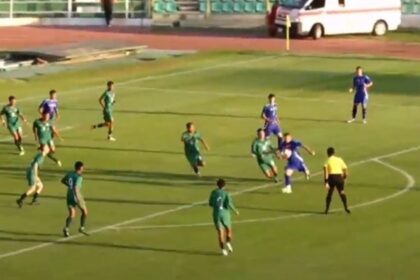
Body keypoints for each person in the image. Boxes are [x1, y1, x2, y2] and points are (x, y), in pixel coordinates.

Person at [208, 179, 239, 256]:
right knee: (228, 230)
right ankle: (228, 242)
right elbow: (229, 204)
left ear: (217, 185)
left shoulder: (213, 192)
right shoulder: (226, 193)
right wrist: (235, 211)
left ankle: (223, 250)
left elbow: (210, 203)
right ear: (224, 185)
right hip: (225, 214)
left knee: (220, 233)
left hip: (216, 214)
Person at [61, 161, 89, 237]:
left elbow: (63, 180)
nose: (83, 169)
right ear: (80, 168)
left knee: (72, 214)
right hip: (76, 195)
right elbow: (76, 187)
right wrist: (78, 198)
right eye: (83, 168)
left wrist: (69, 186)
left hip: (69, 195)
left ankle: (66, 228)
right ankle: (82, 227)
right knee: (85, 211)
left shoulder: (70, 174)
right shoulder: (79, 177)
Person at [323, 147, 350, 214]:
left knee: (330, 193)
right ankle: (346, 207)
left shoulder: (327, 160)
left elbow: (325, 171)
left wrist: (326, 182)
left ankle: (327, 209)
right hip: (339, 177)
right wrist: (344, 178)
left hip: (331, 177)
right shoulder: (339, 159)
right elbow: (345, 170)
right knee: (342, 192)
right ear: (334, 152)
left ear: (327, 153)